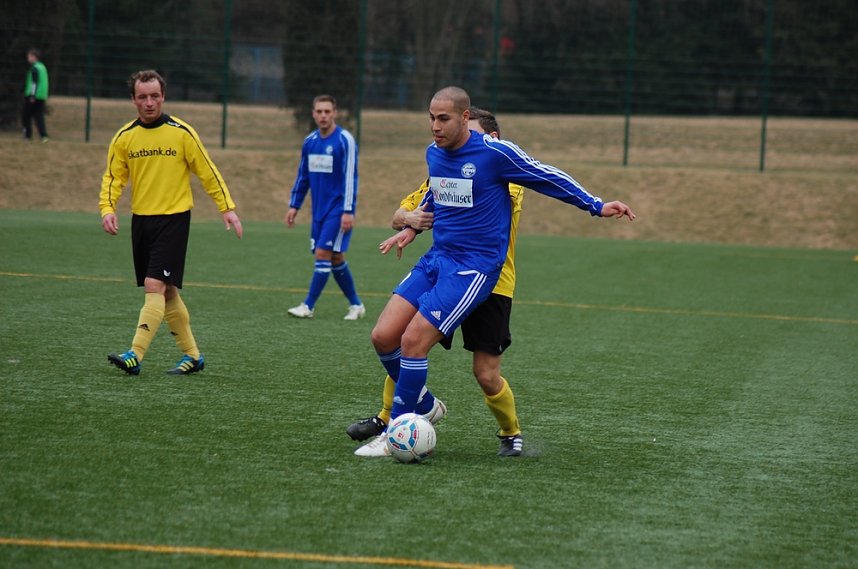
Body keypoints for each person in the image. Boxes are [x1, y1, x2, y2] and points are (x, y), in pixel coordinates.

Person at [355, 86, 636, 457]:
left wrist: (595, 205)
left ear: (465, 117)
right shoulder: (433, 153)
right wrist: (411, 227)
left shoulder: (494, 153)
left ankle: (396, 434)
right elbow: (438, 192)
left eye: (443, 118)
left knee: (415, 342)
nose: (435, 126)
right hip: (438, 258)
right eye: (431, 118)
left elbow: (545, 175)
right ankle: (423, 406)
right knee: (383, 336)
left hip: (475, 268)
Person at [349, 107, 527, 457]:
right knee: (408, 341)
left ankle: (510, 431)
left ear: (492, 140)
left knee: (486, 374)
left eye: (472, 134)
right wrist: (410, 220)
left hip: (492, 284)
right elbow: (401, 213)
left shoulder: (508, 173)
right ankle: (393, 417)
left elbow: (470, 202)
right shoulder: (448, 164)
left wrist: (416, 223)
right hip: (448, 274)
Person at [99, 69, 243, 376]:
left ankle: (134, 354)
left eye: (154, 96)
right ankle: (193, 356)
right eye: (142, 97)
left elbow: (207, 171)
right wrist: (107, 208)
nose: (149, 103)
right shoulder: (125, 137)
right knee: (168, 292)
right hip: (142, 221)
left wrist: (226, 207)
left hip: (174, 219)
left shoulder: (181, 133)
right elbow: (114, 177)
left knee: (154, 285)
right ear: (133, 100)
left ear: (163, 96)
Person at [284, 95, 365, 321]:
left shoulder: (344, 140)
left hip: (338, 209)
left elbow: (351, 178)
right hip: (318, 212)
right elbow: (303, 176)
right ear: (313, 113)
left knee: (323, 253)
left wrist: (348, 210)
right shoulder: (310, 142)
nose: (323, 116)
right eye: (319, 111)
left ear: (335, 113)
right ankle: (356, 305)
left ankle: (307, 306)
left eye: (327, 111)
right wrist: (294, 205)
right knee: (336, 257)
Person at [22, 48, 49, 143]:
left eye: (29, 56)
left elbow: (34, 83)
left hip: (33, 95)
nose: (28, 58)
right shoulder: (42, 67)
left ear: (34, 57)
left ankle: (27, 136)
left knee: (25, 115)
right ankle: (44, 136)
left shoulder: (34, 68)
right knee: (39, 116)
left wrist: (32, 95)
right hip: (42, 95)